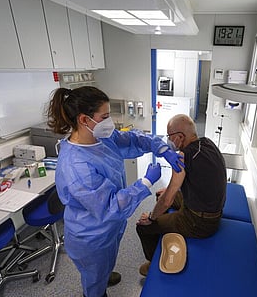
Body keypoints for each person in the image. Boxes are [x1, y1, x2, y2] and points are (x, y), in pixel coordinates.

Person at [46, 86, 184, 297]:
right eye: (105, 116)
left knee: (106, 261)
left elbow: (133, 139)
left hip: (108, 228)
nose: (109, 122)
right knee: (94, 281)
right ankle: (96, 289)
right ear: (84, 120)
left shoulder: (101, 138)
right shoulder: (76, 165)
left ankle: (104, 273)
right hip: (91, 235)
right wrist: (145, 183)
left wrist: (161, 148)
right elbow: (110, 207)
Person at [136, 114, 227, 276]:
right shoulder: (207, 143)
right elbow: (198, 179)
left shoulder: (183, 157)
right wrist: (169, 193)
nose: (168, 141)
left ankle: (153, 264)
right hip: (209, 208)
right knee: (161, 195)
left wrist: (150, 218)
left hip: (199, 222)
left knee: (143, 226)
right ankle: (163, 232)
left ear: (179, 137)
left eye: (169, 137)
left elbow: (167, 200)